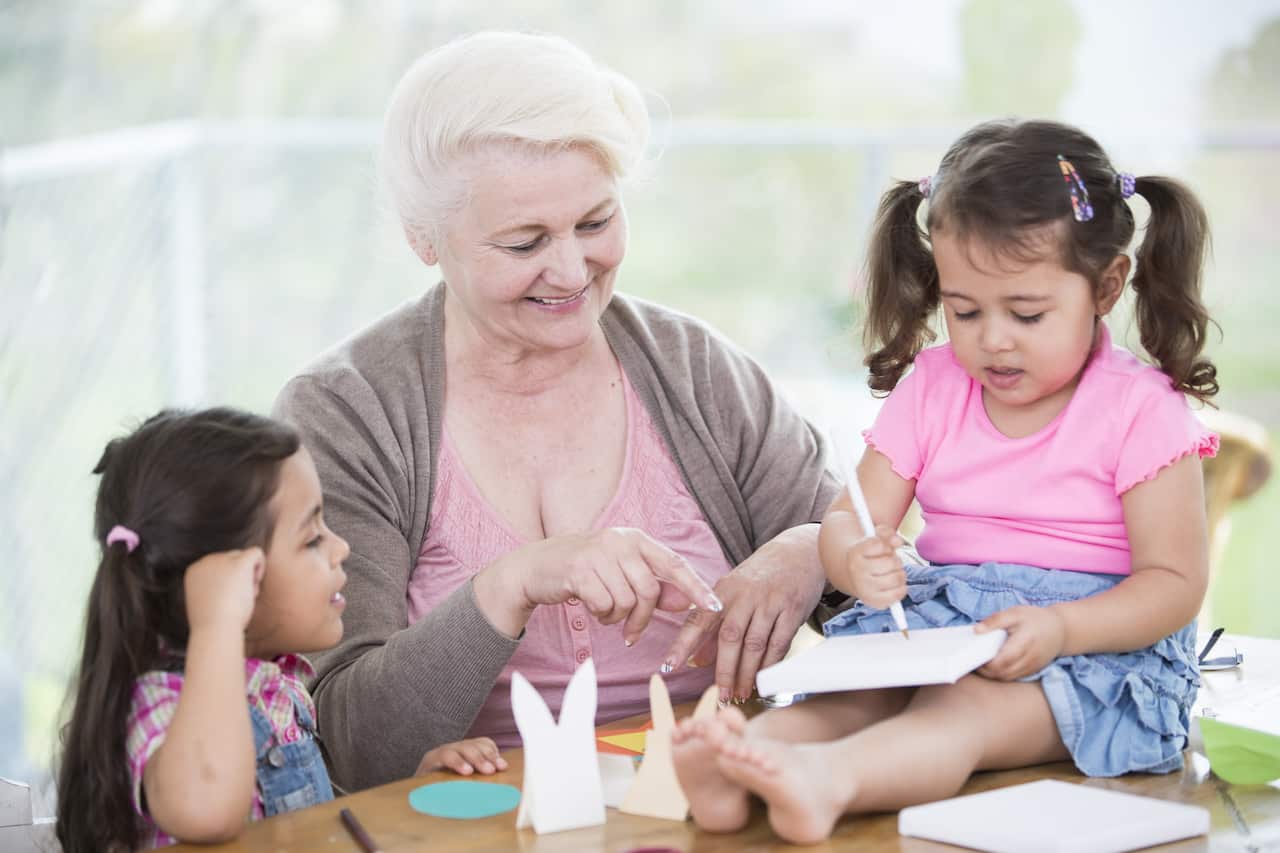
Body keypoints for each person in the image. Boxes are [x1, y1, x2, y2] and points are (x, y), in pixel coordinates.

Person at [273, 31, 838, 792]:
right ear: (422, 237)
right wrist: (513, 582)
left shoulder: (698, 373)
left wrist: (812, 547)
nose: (572, 270)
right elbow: (345, 743)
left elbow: (912, 590)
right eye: (524, 241)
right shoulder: (349, 413)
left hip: (718, 805)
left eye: (596, 222)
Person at [673, 118, 1220, 844]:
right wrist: (853, 556)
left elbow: (1174, 583)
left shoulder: (1140, 407)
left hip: (1094, 651)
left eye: (1026, 312)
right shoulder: (932, 386)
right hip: (944, 626)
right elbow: (850, 518)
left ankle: (828, 782)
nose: (993, 337)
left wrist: (1061, 627)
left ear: (1106, 285)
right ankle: (748, 762)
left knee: (959, 716)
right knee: (855, 697)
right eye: (964, 311)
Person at [54, 408, 505, 852]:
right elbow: (208, 812)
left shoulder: (277, 688)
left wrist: (404, 799)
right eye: (311, 538)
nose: (340, 547)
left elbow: (308, 828)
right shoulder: (159, 707)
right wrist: (218, 624)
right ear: (229, 583)